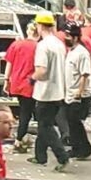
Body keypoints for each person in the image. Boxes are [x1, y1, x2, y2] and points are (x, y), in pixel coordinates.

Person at [28, 10, 69, 171]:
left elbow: (42, 70)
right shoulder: (59, 44)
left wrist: (32, 78)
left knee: (46, 127)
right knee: (44, 125)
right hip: (58, 91)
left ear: (39, 26)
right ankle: (40, 156)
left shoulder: (43, 46)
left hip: (45, 92)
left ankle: (62, 156)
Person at [3, 23, 38, 152]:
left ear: (28, 31)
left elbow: (9, 63)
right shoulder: (39, 47)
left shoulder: (16, 44)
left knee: (24, 111)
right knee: (27, 113)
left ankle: (21, 138)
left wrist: (6, 80)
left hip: (17, 82)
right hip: (31, 83)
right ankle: (20, 139)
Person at [62, 22, 91, 160]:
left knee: (75, 122)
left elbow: (84, 74)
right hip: (70, 92)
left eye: (68, 36)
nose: (66, 38)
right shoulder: (71, 51)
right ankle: (76, 147)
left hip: (79, 94)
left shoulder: (82, 53)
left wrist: (79, 92)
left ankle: (85, 148)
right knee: (71, 122)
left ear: (75, 37)